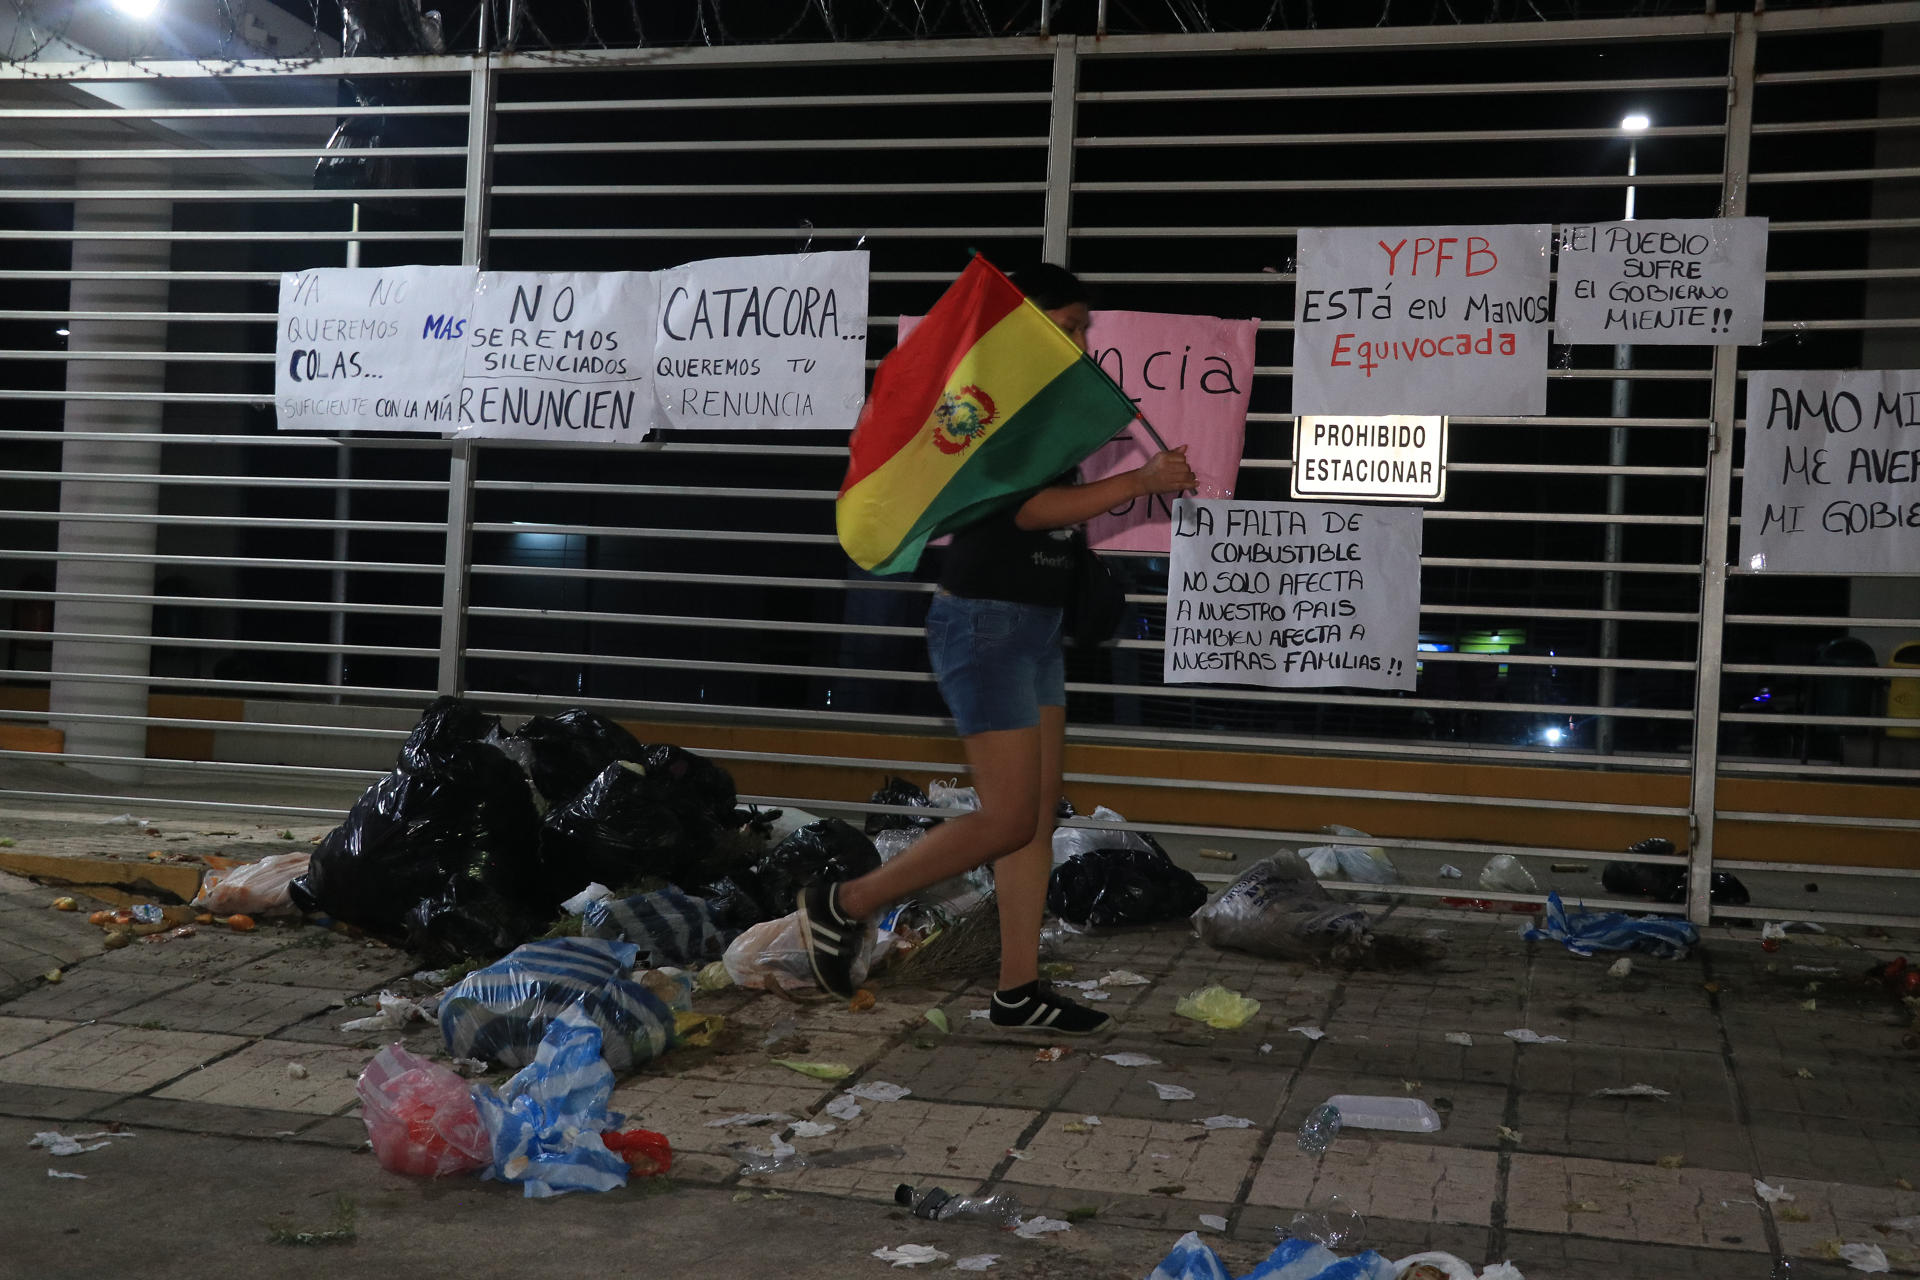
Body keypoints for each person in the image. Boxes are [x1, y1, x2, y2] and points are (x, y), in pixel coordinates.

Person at [800, 264, 1196, 1033]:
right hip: (987, 627)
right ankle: (844, 902)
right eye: (1071, 325)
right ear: (1032, 328)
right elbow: (1027, 510)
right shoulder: (1000, 411)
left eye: (1088, 327)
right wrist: (1139, 480)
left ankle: (1018, 989)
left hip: (1033, 628)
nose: (1083, 340)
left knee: (1035, 818)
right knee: (1009, 816)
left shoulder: (1042, 409)